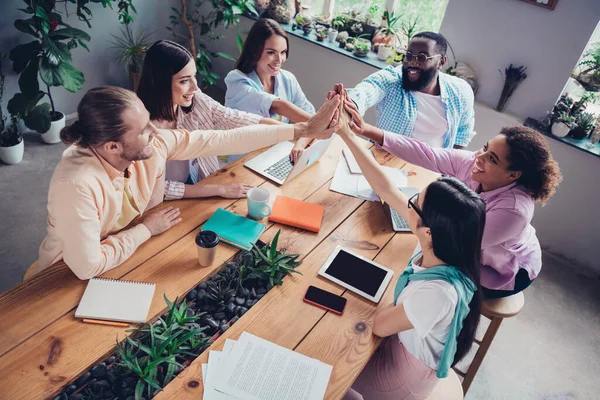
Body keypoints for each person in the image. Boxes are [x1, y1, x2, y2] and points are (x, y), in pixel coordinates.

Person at [38, 86, 341, 280]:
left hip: (129, 253)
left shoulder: (150, 145)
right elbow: (86, 266)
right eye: (144, 130)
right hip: (62, 277)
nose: (156, 132)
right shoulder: (76, 186)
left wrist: (301, 129)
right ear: (113, 147)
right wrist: (146, 229)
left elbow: (218, 139)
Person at [336, 83, 562, 298]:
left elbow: (454, 248)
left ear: (513, 175)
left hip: (502, 270)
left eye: (491, 158)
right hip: (463, 242)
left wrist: (416, 222)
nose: (478, 157)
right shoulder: (475, 162)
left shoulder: (514, 211)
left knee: (431, 281)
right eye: (485, 148)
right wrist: (364, 130)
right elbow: (427, 153)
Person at [335, 88, 486, 399]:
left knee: (330, 360)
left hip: (402, 377)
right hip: (404, 342)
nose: (408, 203)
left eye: (415, 202)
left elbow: (377, 325)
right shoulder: (444, 246)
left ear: (428, 230)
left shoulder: (437, 294)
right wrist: (347, 134)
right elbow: (386, 187)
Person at [137, 40, 281, 201]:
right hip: (162, 203)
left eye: (194, 76)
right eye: (184, 81)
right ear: (159, 82)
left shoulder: (196, 100)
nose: (195, 87)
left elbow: (234, 118)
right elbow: (158, 189)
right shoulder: (142, 129)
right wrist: (217, 189)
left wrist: (292, 131)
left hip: (200, 182)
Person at [347, 32, 475, 149]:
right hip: (385, 162)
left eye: (422, 57)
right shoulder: (392, 80)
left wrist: (444, 168)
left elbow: (462, 134)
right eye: (408, 56)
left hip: (429, 170)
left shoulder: (460, 92)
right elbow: (366, 91)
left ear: (441, 61)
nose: (412, 63)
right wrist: (349, 104)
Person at [225, 18, 315, 162]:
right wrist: (321, 123)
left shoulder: (288, 79)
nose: (279, 60)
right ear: (255, 51)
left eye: (283, 52)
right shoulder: (237, 81)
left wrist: (300, 144)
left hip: (277, 155)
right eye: (271, 52)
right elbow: (276, 105)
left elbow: (310, 115)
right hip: (244, 160)